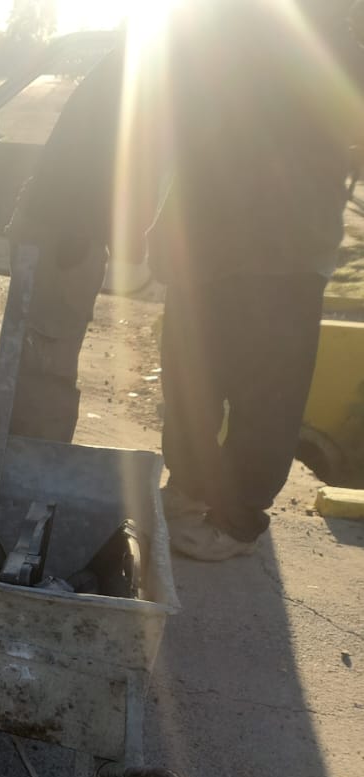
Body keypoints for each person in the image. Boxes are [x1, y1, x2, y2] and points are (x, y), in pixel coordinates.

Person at [149, 0, 361, 560]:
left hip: (284, 255)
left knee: (265, 398)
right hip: (210, 243)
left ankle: (237, 520)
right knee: (191, 381)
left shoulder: (329, 40)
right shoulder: (224, 29)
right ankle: (189, 492)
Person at [5, 47, 130, 444]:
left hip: (53, 230)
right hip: (64, 240)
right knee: (47, 363)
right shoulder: (143, 74)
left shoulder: (124, 66)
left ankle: (18, 454)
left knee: (32, 357)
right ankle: (34, 462)